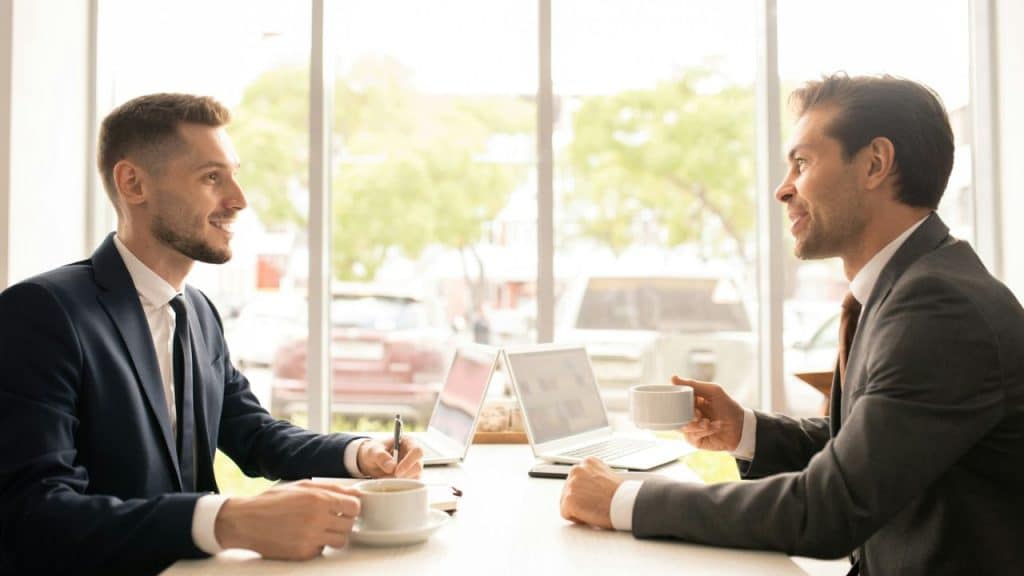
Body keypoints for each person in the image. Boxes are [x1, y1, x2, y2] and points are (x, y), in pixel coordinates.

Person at [559, 74, 1024, 575]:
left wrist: (625, 500)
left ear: (874, 164)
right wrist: (744, 430)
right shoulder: (911, 286)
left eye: (801, 163)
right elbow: (864, 452)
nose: (784, 190)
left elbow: (830, 508)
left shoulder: (939, 308)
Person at [0, 93, 424, 575]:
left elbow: (254, 435)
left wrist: (359, 453)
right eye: (211, 178)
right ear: (133, 182)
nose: (239, 200)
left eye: (234, 175)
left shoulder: (197, 312)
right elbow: (32, 514)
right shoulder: (41, 314)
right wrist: (230, 520)